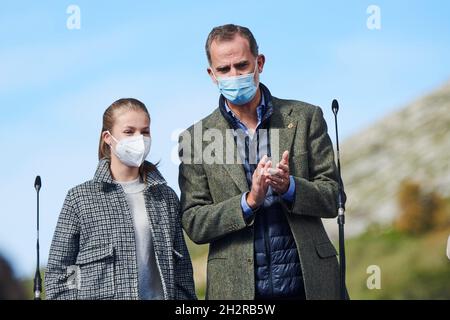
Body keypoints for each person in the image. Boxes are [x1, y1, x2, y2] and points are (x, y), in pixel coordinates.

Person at [179, 24, 345, 300]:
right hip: (238, 292)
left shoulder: (305, 117)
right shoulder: (195, 139)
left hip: (310, 286)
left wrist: (290, 186)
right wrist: (249, 202)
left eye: (242, 65)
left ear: (260, 63)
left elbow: (334, 197)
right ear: (212, 75)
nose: (234, 75)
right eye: (224, 69)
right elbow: (194, 221)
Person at [45, 98, 196, 300]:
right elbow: (64, 270)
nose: (139, 138)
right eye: (129, 131)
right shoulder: (79, 199)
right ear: (108, 137)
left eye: (145, 132)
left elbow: (182, 271)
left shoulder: (166, 197)